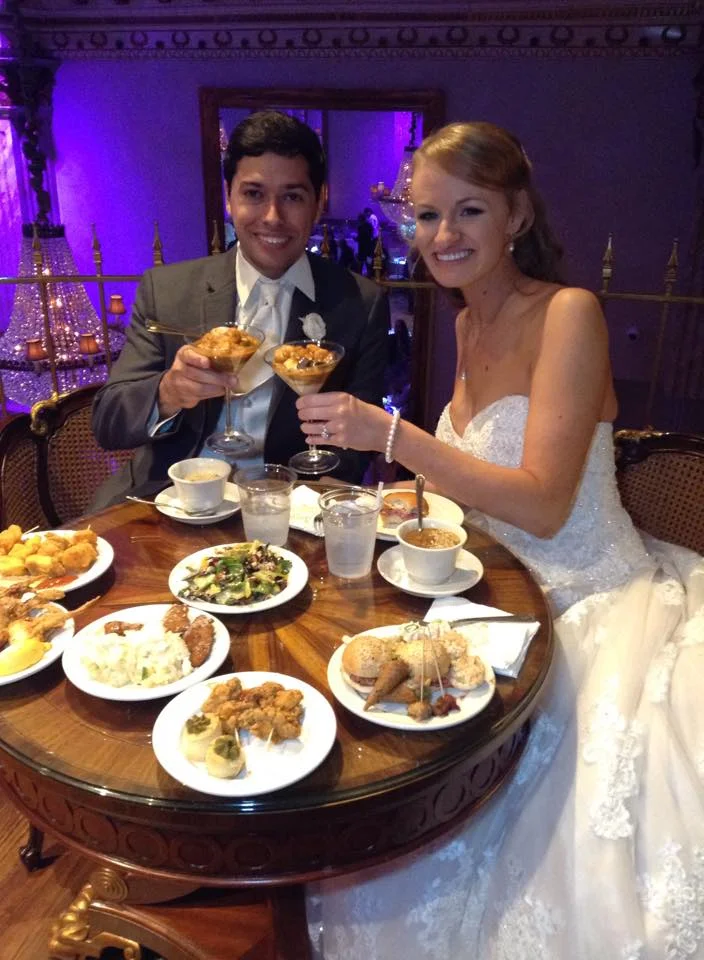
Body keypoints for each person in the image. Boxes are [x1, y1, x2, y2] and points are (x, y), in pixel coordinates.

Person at [301, 122, 704, 958]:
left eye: (467, 211)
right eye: (424, 215)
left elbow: (545, 505)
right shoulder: (464, 322)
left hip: (586, 598)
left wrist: (393, 437)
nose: (441, 237)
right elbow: (466, 479)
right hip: (484, 593)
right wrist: (401, 502)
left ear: (516, 214)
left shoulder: (569, 313)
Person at [90, 111, 389, 508]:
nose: (272, 217)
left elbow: (356, 453)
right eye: (253, 194)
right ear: (229, 197)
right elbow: (108, 423)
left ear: (320, 202)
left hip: (286, 510)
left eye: (293, 197)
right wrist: (168, 392)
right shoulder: (168, 290)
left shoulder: (360, 304)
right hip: (167, 501)